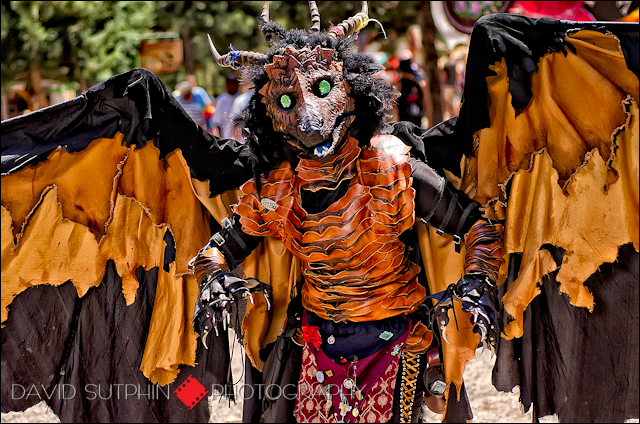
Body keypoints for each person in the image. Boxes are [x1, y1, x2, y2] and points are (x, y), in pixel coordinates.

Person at [195, 4, 504, 422]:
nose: (307, 116)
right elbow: (215, 251)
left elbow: (476, 225)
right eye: (287, 99)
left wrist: (477, 280)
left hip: (398, 342)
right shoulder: (275, 190)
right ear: (271, 114)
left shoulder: (394, 169)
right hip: (316, 345)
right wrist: (215, 281)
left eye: (322, 89)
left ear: (352, 91)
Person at [212, 73, 240, 138]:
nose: (233, 86)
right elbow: (218, 122)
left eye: (234, 84)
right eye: (230, 84)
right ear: (226, 85)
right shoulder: (221, 100)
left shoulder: (241, 99)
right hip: (227, 138)